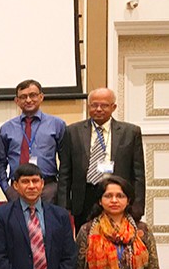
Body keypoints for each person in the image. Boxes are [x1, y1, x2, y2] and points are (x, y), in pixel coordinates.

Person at [59, 87, 146, 225]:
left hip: (116, 196)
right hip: (84, 197)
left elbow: (138, 174)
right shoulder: (72, 131)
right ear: (88, 106)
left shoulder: (130, 132)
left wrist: (137, 207)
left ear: (113, 107)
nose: (98, 109)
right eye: (94, 105)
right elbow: (65, 172)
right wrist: (63, 206)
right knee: (85, 241)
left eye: (104, 105)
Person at [0, 79, 66, 204]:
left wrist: (58, 188)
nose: (28, 100)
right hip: (17, 189)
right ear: (17, 101)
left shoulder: (57, 124)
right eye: (23, 97)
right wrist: (6, 188)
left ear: (41, 97)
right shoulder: (7, 128)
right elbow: (0, 162)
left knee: (48, 223)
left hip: (48, 188)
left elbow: (65, 160)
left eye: (33, 95)